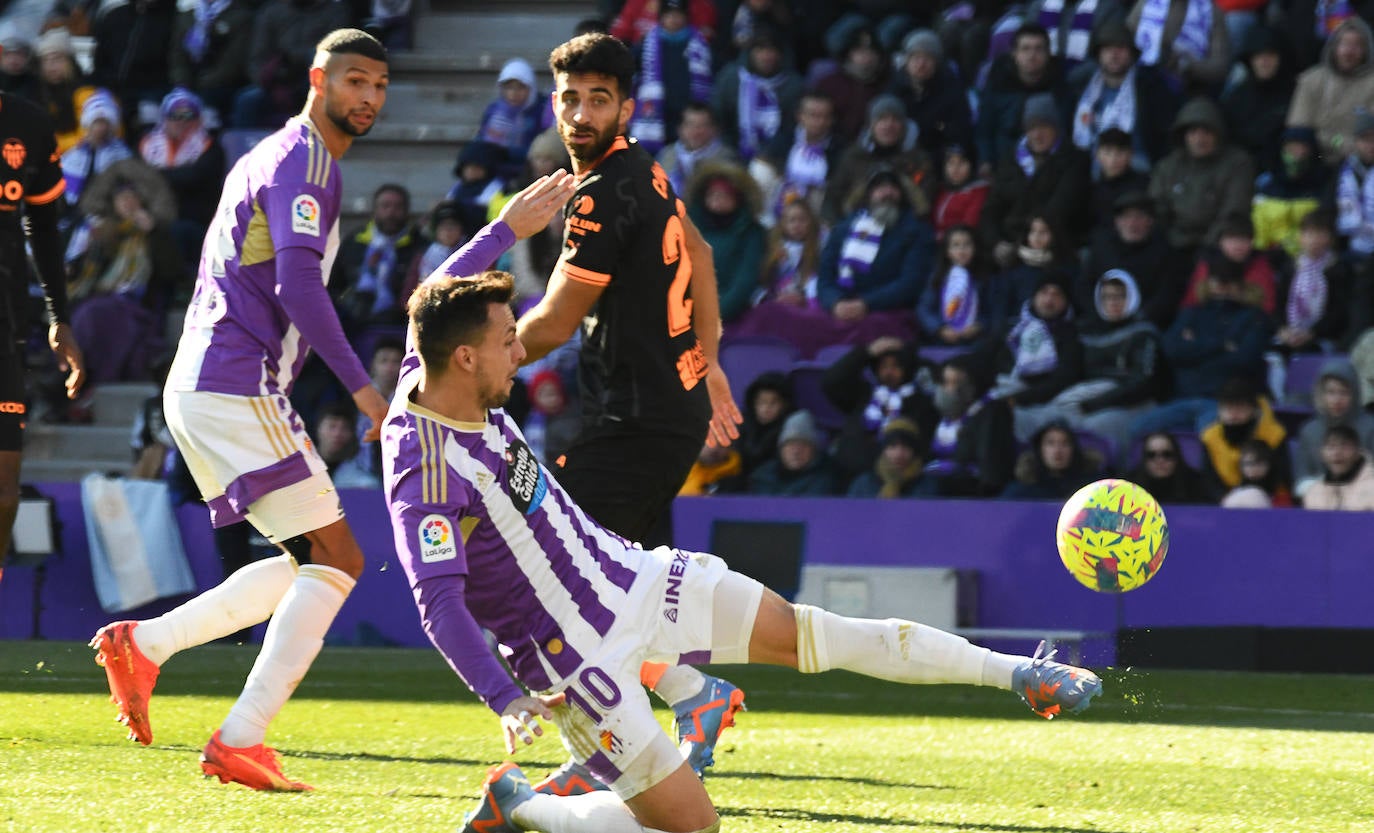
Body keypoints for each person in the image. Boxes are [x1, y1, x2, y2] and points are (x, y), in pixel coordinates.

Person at [383, 269, 1103, 833]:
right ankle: (524, 805)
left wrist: (505, 231)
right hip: (571, 658)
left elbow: (435, 301)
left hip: (630, 572)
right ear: (465, 354)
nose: (523, 348)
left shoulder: (453, 375)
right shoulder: (427, 471)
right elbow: (435, 598)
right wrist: (504, 697)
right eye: (509, 338)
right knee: (691, 824)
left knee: (809, 632)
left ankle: (1018, 673)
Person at [88, 29, 394, 791]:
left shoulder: (268, 153)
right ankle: (241, 736)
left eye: (379, 86)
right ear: (318, 79)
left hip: (204, 380)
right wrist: (362, 387)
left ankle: (146, 643)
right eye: (355, 80)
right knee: (339, 559)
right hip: (236, 380)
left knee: (307, 562)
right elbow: (297, 286)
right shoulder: (304, 164)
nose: (368, 98)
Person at [514, 32, 747, 778]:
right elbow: (701, 258)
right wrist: (707, 363)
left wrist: (468, 367)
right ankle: (692, 695)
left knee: (559, 583)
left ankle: (612, 754)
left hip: (635, 419)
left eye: (598, 99)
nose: (581, 113)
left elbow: (551, 322)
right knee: (630, 590)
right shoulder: (644, 169)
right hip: (655, 414)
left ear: (626, 104)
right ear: (555, 104)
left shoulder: (603, 192)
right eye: (570, 99)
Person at [0, 83, 86, 588]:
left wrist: (60, 317)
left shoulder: (27, 123)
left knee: (6, 482)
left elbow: (46, 227)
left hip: (6, 321)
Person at [1292, 361, 1374, 499]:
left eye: (1344, 392)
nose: (1337, 400)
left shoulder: (1370, 427)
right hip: (1319, 502)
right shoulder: (1309, 431)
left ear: (1355, 394)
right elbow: (1302, 478)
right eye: (1331, 392)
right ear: (1320, 394)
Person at [846, 416, 933, 498]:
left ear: (915, 451)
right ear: (883, 450)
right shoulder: (863, 484)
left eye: (906, 447)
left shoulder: (926, 485)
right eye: (893, 446)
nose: (899, 454)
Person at [1125, 430, 1211, 504]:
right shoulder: (1130, 487)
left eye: (1167, 454)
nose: (1159, 460)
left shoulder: (1196, 484)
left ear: (1176, 456)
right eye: (1151, 455)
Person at [1302, 423, 1374, 510]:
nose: (1337, 453)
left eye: (1345, 446)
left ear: (1357, 453)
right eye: (1331, 447)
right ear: (1322, 454)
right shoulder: (1313, 492)